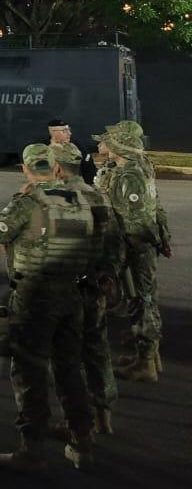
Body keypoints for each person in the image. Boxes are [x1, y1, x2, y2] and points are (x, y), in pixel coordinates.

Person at [0, 145, 101, 471]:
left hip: (34, 297)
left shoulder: (28, 202)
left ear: (25, 169)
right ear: (55, 169)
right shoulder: (81, 202)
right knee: (70, 370)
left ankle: (32, 450)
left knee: (30, 373)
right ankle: (82, 443)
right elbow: (93, 246)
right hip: (71, 295)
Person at [50, 141, 121, 434]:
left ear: (57, 168)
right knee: (97, 349)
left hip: (65, 289)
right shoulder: (98, 197)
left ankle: (74, 421)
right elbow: (114, 243)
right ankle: (104, 416)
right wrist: (108, 276)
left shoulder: (53, 199)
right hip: (94, 286)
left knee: (66, 356)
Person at [102, 122, 170, 383]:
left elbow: (130, 221)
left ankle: (146, 362)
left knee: (142, 301)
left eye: (110, 141)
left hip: (135, 247)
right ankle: (149, 356)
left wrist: (115, 259)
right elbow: (156, 206)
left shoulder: (128, 175)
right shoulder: (141, 167)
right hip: (143, 244)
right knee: (144, 299)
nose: (105, 145)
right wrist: (163, 235)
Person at [48, 119, 97, 184]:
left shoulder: (77, 146)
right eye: (64, 131)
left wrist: (88, 184)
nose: (69, 133)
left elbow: (88, 166)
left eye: (69, 130)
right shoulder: (43, 147)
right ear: (53, 133)